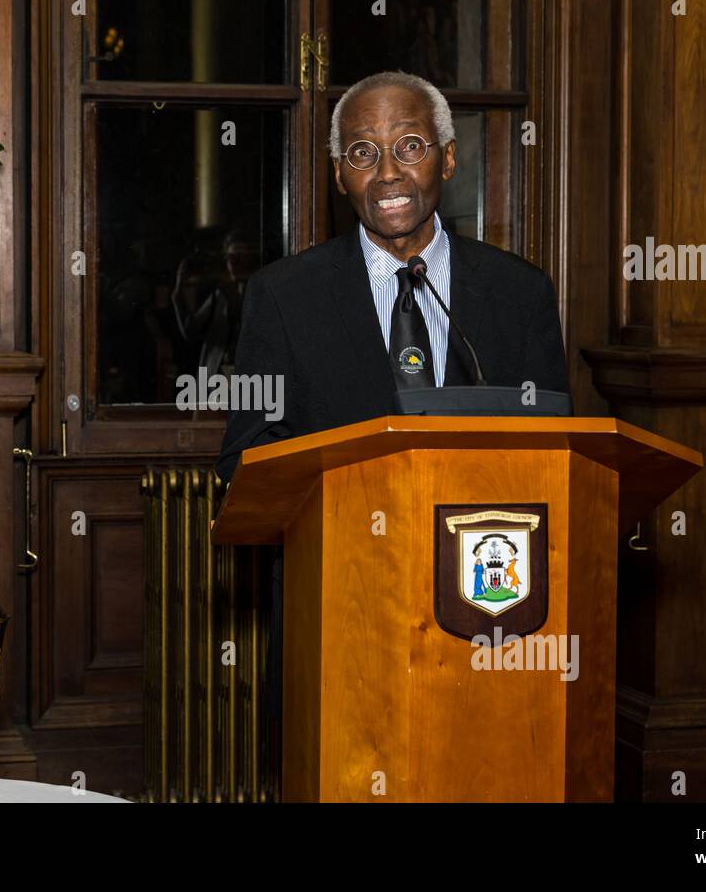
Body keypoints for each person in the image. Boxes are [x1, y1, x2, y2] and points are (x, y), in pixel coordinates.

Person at [214, 70, 571, 719]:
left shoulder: (520, 294)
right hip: (340, 611)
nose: (386, 173)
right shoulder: (283, 297)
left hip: (489, 612)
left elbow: (555, 460)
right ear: (338, 174)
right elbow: (244, 458)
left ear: (449, 156)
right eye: (361, 152)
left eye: (409, 145)